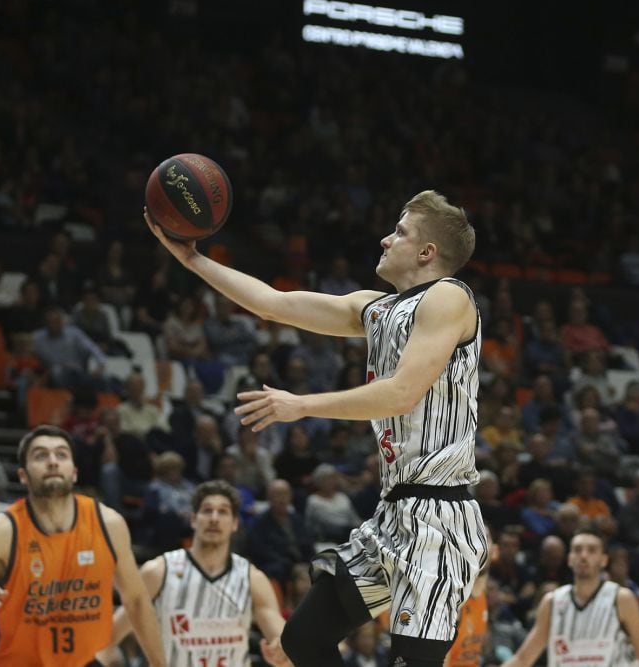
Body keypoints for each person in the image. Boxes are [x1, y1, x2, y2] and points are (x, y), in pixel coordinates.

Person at [148, 189, 489, 666]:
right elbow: (272, 304)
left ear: (427, 252)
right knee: (303, 640)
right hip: (394, 515)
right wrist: (192, 259)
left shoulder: (449, 298)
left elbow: (401, 392)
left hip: (440, 518)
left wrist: (301, 405)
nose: (386, 239)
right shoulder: (377, 310)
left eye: (401, 232)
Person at [0, 425, 166, 667]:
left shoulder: (108, 524)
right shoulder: (1, 531)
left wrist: (159, 663)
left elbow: (136, 600)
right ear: (23, 475)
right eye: (41, 455)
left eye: (61, 454)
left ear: (74, 472)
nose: (52, 461)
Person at [97, 480, 289, 666]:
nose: (214, 518)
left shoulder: (251, 578)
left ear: (234, 523)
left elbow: (280, 636)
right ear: (194, 519)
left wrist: (282, 652)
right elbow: (109, 636)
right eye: (207, 510)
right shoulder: (159, 571)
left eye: (223, 511)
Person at [501, 530, 639, 667]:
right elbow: (523, 659)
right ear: (569, 559)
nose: (583, 555)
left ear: (603, 560)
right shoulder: (552, 602)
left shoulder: (621, 599)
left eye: (592, 550)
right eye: (577, 550)